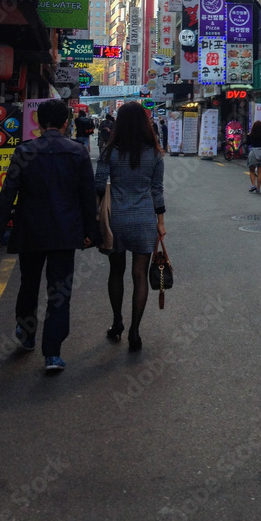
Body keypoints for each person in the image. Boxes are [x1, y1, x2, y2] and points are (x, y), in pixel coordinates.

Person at [0, 99, 96, 373]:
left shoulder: (24, 151)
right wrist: (90, 232)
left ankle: (26, 333)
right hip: (65, 231)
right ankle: (52, 354)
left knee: (29, 283)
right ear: (65, 123)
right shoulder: (77, 152)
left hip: (31, 230)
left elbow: (8, 193)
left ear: (38, 122)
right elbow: (87, 197)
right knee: (59, 291)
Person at [94, 101, 165, 352]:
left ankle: (117, 323)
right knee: (140, 275)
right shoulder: (155, 153)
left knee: (116, 272)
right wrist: (160, 222)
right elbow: (157, 190)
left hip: (117, 219)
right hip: (145, 218)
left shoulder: (110, 151)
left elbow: (99, 185)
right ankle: (135, 331)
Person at [246, 120, 261, 193]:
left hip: (253, 152)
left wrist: (248, 136)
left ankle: (253, 184)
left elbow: (248, 143)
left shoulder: (251, 135)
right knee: (260, 171)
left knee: (252, 170)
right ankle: (258, 188)